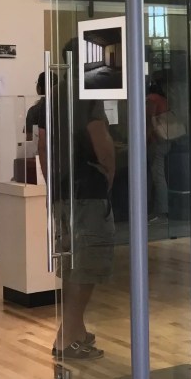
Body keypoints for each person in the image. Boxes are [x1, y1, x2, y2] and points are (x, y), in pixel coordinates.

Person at [38, 39, 115, 362]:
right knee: (87, 265)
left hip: (63, 192)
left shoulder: (52, 95)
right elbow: (101, 142)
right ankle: (66, 337)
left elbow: (42, 147)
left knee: (72, 264)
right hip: (88, 194)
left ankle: (76, 331)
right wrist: (108, 178)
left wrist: (53, 185)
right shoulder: (88, 95)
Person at [145, 75, 170, 223]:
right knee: (159, 175)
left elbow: (151, 120)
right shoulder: (164, 99)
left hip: (157, 141)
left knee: (158, 176)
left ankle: (162, 213)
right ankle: (160, 210)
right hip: (166, 140)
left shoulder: (152, 99)